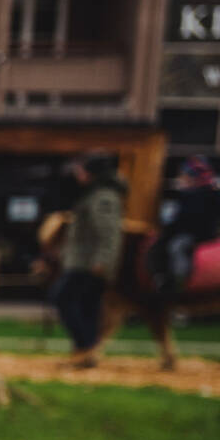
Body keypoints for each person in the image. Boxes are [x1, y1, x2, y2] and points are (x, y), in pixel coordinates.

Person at [51, 153, 125, 369]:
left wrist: (102, 261)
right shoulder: (94, 194)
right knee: (87, 307)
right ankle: (85, 353)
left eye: (82, 169)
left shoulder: (103, 197)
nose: (78, 174)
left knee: (62, 297)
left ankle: (85, 348)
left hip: (89, 264)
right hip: (84, 262)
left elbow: (109, 233)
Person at [152, 155, 220, 294]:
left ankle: (178, 282)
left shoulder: (202, 194)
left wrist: (171, 225)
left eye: (184, 175)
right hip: (197, 230)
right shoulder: (197, 192)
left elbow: (189, 219)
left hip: (200, 233)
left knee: (177, 247)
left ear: (194, 177)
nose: (181, 178)